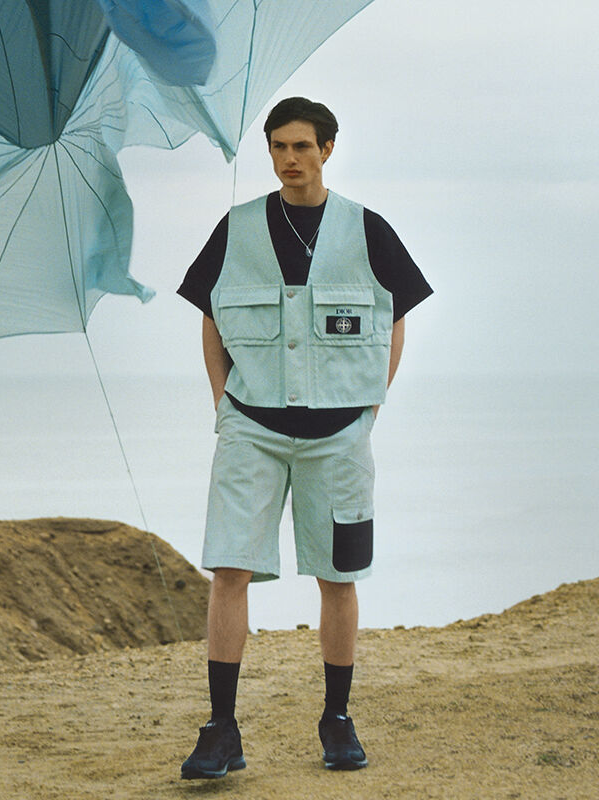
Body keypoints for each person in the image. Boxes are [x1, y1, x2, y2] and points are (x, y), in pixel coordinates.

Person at [174, 97, 431, 779]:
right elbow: (211, 317)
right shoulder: (236, 228)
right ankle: (221, 729)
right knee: (229, 569)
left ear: (327, 149)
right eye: (278, 147)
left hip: (339, 436)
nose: (290, 158)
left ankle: (337, 720)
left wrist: (371, 405)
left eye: (302, 146)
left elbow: (394, 317)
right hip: (251, 430)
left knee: (338, 576)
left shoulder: (366, 228)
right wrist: (223, 404)